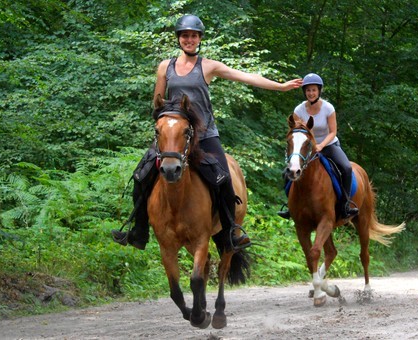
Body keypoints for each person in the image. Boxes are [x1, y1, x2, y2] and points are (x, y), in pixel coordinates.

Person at [111, 14, 302, 251]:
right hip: (175, 136)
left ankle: (231, 230)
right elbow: (157, 102)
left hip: (206, 135)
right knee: (141, 175)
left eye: (193, 36)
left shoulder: (208, 66)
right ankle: (139, 231)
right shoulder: (165, 67)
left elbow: (245, 77)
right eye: (185, 35)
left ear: (199, 38)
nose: (189, 39)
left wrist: (280, 86)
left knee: (223, 179)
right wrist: (168, 123)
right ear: (179, 39)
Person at [277, 73, 359, 220]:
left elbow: (333, 132)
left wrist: (321, 145)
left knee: (346, 168)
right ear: (304, 92)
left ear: (319, 91)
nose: (311, 93)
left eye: (314, 90)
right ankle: (290, 206)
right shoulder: (299, 110)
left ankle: (345, 205)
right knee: (288, 172)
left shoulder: (328, 108)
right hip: (306, 147)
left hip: (328, 144)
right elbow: (297, 132)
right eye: (308, 90)